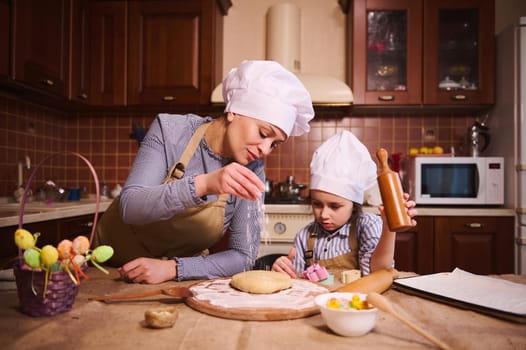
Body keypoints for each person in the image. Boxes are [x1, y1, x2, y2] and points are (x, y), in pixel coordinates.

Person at [94, 60, 315, 284]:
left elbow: (244, 256)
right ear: (234, 111)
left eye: (274, 144)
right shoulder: (170, 131)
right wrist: (203, 185)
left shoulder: (253, 169)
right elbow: (130, 207)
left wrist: (173, 269)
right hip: (106, 271)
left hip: (167, 281)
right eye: (263, 133)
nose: (265, 149)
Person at [271, 130, 417, 277]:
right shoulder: (305, 236)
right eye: (317, 204)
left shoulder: (367, 225)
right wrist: (282, 270)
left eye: (334, 206)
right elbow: (296, 282)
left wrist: (388, 228)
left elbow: (378, 273)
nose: (324, 215)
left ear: (354, 204)